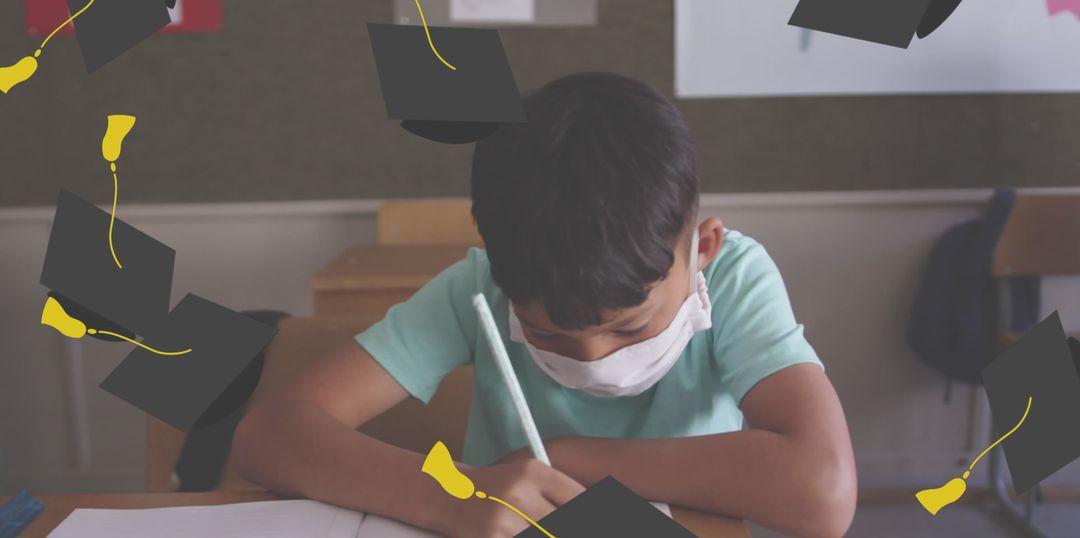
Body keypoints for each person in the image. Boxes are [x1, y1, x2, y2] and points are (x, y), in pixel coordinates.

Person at [233, 72, 857, 538]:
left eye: (630, 326)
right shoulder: (477, 288)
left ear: (703, 248)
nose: (591, 358)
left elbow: (823, 492)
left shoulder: (735, 280)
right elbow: (269, 436)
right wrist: (455, 493)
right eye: (545, 334)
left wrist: (569, 457)